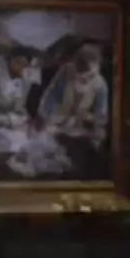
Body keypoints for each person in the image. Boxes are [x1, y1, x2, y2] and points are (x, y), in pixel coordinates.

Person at [37, 42, 110, 177]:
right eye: (85, 77)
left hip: (83, 135)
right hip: (59, 129)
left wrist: (88, 118)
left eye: (93, 76)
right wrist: (58, 118)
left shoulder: (100, 85)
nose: (89, 80)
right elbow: (47, 102)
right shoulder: (65, 73)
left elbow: (101, 118)